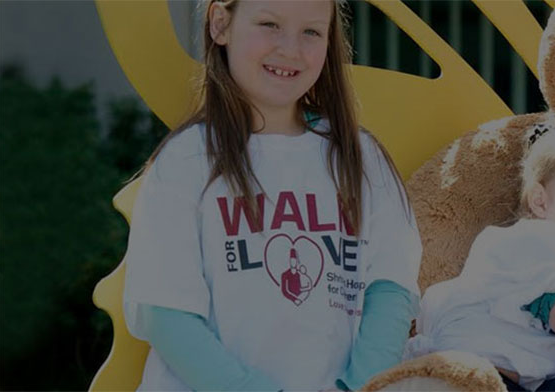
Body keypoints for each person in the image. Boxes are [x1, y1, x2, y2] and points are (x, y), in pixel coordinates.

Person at [121, 0, 421, 390]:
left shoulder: (362, 158)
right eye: (269, 24)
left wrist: (358, 387)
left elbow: (392, 289)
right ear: (220, 24)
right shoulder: (186, 160)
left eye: (311, 31)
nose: (290, 49)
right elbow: (164, 313)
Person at [406, 119, 555, 392]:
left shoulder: (524, 246)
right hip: (485, 376)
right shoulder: (552, 241)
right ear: (540, 201)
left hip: (509, 378)